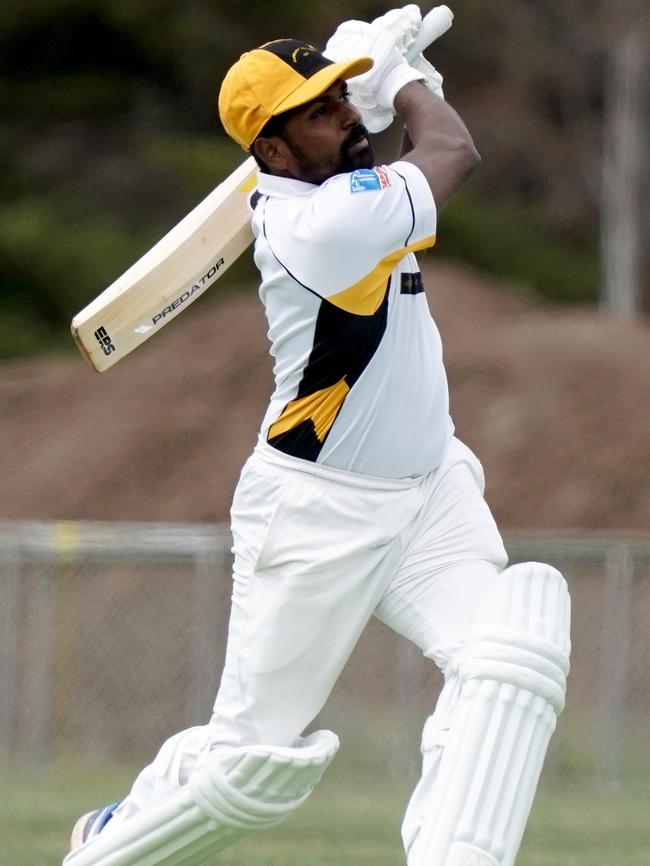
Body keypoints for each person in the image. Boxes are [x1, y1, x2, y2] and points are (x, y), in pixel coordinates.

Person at [64, 9, 571, 866]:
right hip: (318, 513)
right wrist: (400, 81)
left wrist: (387, 76)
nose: (344, 117)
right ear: (270, 152)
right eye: (319, 111)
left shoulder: (343, 183)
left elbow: (404, 146)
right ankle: (110, 843)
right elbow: (450, 154)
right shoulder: (320, 226)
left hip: (429, 493)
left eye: (340, 99)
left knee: (511, 651)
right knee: (247, 774)